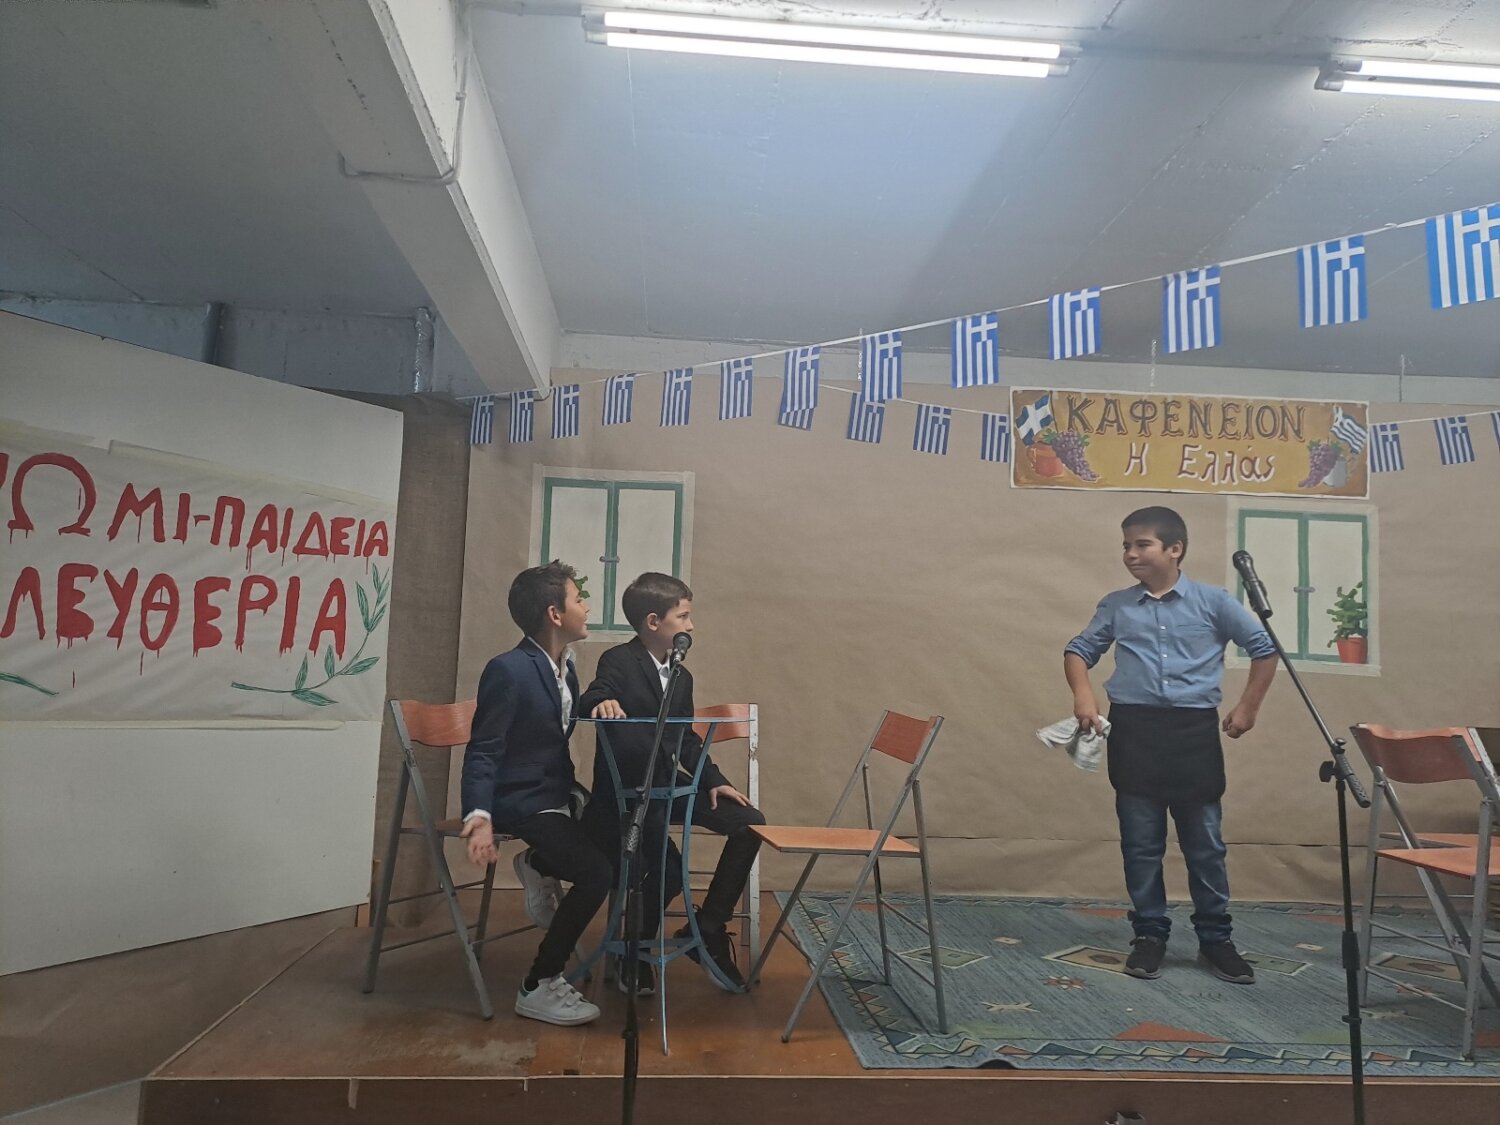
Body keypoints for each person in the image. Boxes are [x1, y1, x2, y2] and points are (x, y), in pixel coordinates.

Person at [1063, 506, 1276, 985]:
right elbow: (1079, 650)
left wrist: (1248, 708)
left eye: (1142, 544)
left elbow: (1264, 649)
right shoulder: (1117, 605)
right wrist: (1083, 695)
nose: (1130, 554)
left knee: (1205, 844)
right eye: (1126, 545)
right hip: (1135, 730)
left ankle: (1216, 938)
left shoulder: (1213, 601)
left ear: (1174, 549)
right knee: (1141, 843)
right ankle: (1149, 934)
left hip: (1192, 732)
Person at [580, 572, 764, 993]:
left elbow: (686, 740)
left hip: (671, 785)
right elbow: (596, 692)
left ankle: (709, 926)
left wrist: (712, 779)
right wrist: (601, 701)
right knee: (666, 868)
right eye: (683, 617)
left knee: (749, 822)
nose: (691, 626)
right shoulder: (619, 661)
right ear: (653, 622)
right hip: (631, 794)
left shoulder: (682, 678)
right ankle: (635, 950)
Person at [460, 561, 612, 1026]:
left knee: (620, 834)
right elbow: (484, 749)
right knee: (595, 874)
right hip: (521, 800)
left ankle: (539, 863)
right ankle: (539, 983)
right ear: (554, 613)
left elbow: (555, 725)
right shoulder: (508, 670)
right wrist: (478, 816)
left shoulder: (566, 668)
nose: (586, 607)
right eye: (578, 599)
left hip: (557, 792)